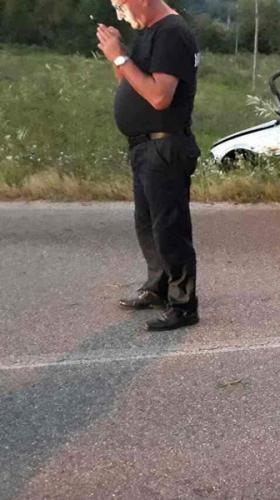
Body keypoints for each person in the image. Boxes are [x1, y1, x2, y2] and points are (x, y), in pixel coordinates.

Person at [97, 0, 201, 331]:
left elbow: (159, 97)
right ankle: (158, 287)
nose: (119, 14)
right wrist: (118, 54)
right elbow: (130, 81)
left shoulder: (172, 33)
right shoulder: (149, 33)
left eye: (121, 5)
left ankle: (184, 305)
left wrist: (120, 56)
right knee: (148, 225)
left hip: (165, 146)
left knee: (170, 228)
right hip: (145, 146)